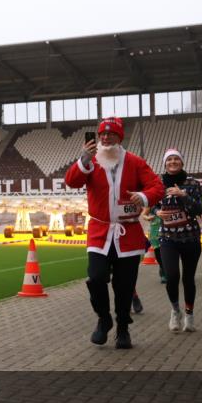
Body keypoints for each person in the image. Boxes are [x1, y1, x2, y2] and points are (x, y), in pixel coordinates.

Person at [64, 117, 164, 350]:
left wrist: (144, 197)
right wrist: (83, 160)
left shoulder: (135, 162)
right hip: (99, 232)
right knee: (96, 277)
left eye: (111, 134)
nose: (106, 138)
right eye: (102, 134)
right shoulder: (90, 162)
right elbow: (71, 182)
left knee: (124, 285)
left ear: (120, 137)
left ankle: (123, 328)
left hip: (128, 233)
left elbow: (156, 186)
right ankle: (103, 318)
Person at [153, 149, 202, 333]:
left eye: (176, 159)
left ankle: (189, 315)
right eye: (169, 159)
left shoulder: (192, 183)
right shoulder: (157, 184)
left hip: (190, 237)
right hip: (168, 238)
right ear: (165, 163)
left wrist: (184, 195)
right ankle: (175, 311)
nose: (173, 162)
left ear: (182, 162)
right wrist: (156, 212)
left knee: (188, 278)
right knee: (172, 277)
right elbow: (152, 206)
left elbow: (199, 209)